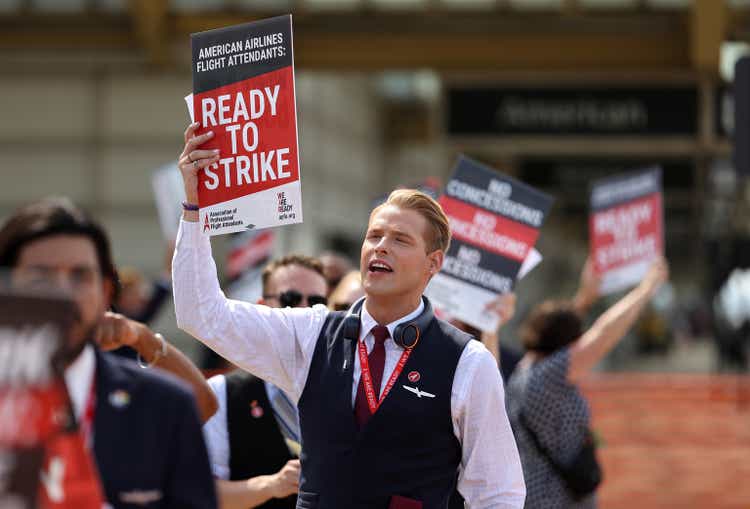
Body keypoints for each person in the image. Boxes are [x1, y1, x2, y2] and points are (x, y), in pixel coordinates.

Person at [173, 123, 525, 509]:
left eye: (400, 240)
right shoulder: (310, 333)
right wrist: (195, 207)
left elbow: (497, 493)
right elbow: (201, 314)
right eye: (374, 236)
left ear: (433, 263)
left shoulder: (469, 363)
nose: (381, 248)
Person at [0, 197, 217, 509]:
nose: (64, 294)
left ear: (105, 292)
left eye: (80, 276)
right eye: (40, 277)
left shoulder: (166, 406)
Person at [505, 258, 668, 508]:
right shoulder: (549, 376)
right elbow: (601, 336)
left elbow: (558, 331)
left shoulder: (526, 369)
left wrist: (585, 297)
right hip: (556, 501)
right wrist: (646, 288)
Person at [204, 254, 329, 509]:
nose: (304, 311)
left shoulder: (349, 385)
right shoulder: (223, 393)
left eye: (316, 302)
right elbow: (201, 491)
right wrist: (271, 485)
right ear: (261, 307)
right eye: (290, 300)